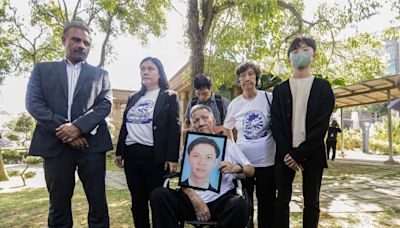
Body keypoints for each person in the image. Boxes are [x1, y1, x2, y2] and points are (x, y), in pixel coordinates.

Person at [25, 21, 113, 227]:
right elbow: (33, 103)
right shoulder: (42, 70)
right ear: (63, 40)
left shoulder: (101, 75)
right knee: (58, 206)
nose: (81, 45)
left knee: (98, 204)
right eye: (76, 39)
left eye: (86, 43)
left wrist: (79, 128)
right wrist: (67, 130)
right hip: (55, 147)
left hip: (91, 146)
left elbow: (105, 105)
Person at [150, 105, 254, 228]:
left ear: (214, 120)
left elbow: (251, 170)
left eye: (205, 118)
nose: (201, 123)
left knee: (241, 204)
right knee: (159, 195)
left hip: (221, 200)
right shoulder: (188, 147)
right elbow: (184, 178)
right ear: (193, 126)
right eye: (196, 121)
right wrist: (195, 199)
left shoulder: (229, 145)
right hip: (190, 199)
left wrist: (236, 168)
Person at [271, 36, 334, 228]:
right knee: (281, 200)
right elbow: (276, 123)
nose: (300, 54)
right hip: (285, 154)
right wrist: (288, 153)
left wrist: (299, 153)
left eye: (305, 50)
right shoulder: (280, 89)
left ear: (314, 55)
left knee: (312, 202)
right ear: (290, 58)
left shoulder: (323, 87)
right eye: (295, 51)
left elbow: (321, 125)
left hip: (313, 152)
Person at [115, 57, 180, 228]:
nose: (145, 71)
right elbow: (125, 124)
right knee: (137, 201)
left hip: (154, 156)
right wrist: (119, 151)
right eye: (143, 68)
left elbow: (175, 128)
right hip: (132, 156)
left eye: (150, 68)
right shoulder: (133, 97)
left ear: (159, 73)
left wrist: (172, 157)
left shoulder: (169, 96)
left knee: (157, 200)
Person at [223, 61, 276, 228]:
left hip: (267, 161)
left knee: (267, 205)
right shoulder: (235, 104)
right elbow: (226, 128)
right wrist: (234, 149)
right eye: (243, 76)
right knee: (246, 204)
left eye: (251, 74)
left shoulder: (268, 98)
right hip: (244, 164)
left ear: (257, 78)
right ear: (239, 81)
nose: (247, 78)